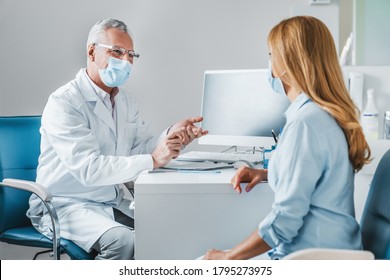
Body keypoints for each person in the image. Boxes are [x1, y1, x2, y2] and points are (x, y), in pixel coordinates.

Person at [27, 18, 207, 260]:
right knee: (123, 243)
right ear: (92, 51)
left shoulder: (124, 100)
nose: (125, 61)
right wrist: (153, 159)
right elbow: (89, 170)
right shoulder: (64, 102)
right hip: (65, 204)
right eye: (117, 52)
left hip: (108, 201)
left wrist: (172, 135)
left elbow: (141, 147)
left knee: (171, 227)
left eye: (131, 55)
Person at [203, 16, 371, 260]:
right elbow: (317, 177)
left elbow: (285, 222)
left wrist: (228, 258)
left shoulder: (306, 123)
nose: (269, 64)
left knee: (201, 264)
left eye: (271, 55)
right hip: (328, 250)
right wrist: (269, 174)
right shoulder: (321, 114)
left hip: (310, 259)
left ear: (288, 63)